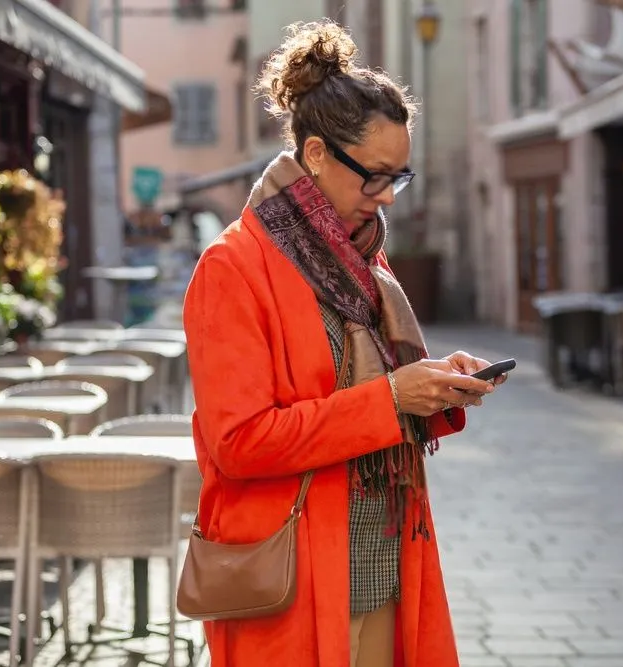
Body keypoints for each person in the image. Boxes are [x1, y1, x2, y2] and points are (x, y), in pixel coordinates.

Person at [183, 20, 507, 667]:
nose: (387, 196)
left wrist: (434, 386)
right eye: (375, 176)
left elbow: (365, 399)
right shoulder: (234, 266)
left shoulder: (362, 259)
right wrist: (390, 397)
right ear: (317, 154)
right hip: (290, 581)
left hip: (382, 565)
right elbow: (239, 442)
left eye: (399, 177)